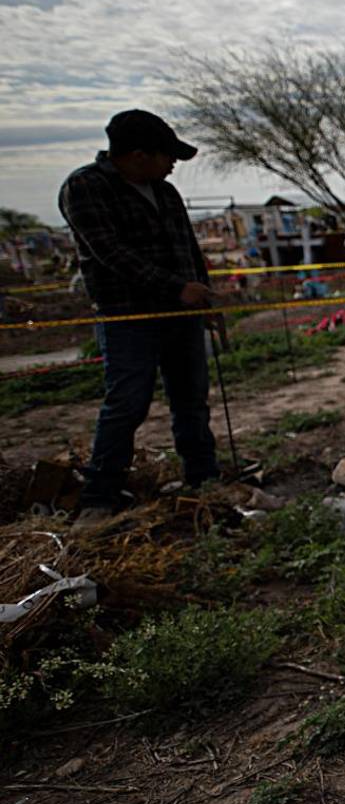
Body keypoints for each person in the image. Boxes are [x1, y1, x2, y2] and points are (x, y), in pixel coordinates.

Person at [58, 110, 219, 524]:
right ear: (137, 155)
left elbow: (188, 249)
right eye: (168, 157)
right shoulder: (85, 187)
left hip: (181, 314)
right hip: (127, 316)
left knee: (192, 399)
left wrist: (204, 298)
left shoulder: (164, 193)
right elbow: (109, 253)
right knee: (127, 403)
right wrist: (175, 288)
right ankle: (100, 496)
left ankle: (204, 479)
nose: (173, 166)